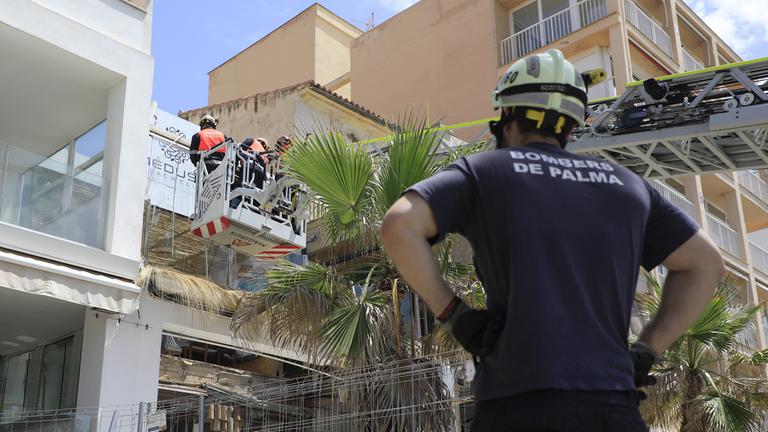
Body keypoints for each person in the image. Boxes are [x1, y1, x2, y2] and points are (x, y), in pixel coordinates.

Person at [380, 49, 724, 431]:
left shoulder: (484, 171)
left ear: (507, 117)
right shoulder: (630, 187)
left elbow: (399, 225)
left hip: (518, 403)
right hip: (613, 407)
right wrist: (646, 348)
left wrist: (455, 316)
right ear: (571, 127)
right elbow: (706, 263)